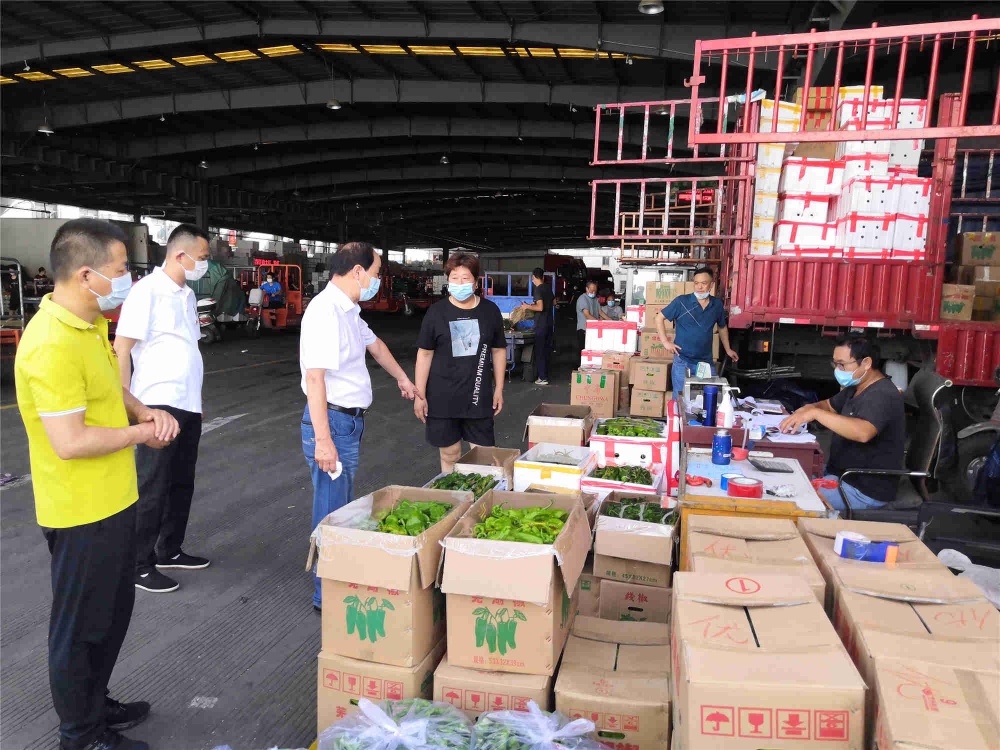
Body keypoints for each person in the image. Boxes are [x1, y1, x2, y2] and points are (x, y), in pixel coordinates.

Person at [14, 218, 180, 750]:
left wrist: (142, 410)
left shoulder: (89, 326)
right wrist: (141, 434)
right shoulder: (50, 343)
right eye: (121, 269)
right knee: (81, 627)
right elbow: (70, 441)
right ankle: (80, 735)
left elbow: (110, 387)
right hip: (80, 510)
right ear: (86, 275)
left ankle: (94, 703)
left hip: (114, 500)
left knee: (109, 617)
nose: (127, 278)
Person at [300, 242, 418, 610]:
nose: (377, 281)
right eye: (376, 273)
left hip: (346, 423)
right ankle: (326, 595)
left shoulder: (348, 310)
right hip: (332, 423)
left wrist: (402, 378)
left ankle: (334, 581)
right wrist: (323, 441)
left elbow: (376, 345)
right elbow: (315, 378)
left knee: (340, 505)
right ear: (357, 272)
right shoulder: (325, 312)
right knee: (332, 509)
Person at [113, 224, 212, 594]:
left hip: (186, 403)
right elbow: (122, 348)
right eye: (202, 258)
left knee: (181, 481)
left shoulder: (187, 294)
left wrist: (196, 402)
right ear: (180, 255)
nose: (205, 264)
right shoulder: (147, 291)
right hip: (156, 402)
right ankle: (138, 564)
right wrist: (129, 404)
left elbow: (188, 350)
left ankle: (169, 549)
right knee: (152, 484)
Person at [779, 336, 905, 513]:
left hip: (862, 489)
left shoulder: (883, 394)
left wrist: (816, 413)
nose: (837, 370)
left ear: (866, 363)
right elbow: (829, 405)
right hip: (839, 474)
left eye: (842, 364)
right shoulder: (857, 388)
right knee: (786, 474)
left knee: (789, 497)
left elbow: (863, 432)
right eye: (835, 364)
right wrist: (808, 408)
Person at [414, 254, 507, 472]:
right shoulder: (436, 313)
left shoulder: (490, 311)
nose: (460, 283)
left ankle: (485, 494)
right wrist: (419, 395)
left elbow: (498, 350)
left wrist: (499, 388)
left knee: (485, 456)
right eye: (454, 278)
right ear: (448, 281)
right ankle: (450, 492)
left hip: (478, 395)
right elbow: (424, 354)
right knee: (450, 454)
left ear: (476, 282)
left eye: (465, 278)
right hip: (442, 397)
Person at [655, 267, 739, 402]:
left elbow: (722, 327)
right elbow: (659, 318)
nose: (699, 287)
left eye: (704, 283)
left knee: (709, 399)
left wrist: (728, 349)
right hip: (683, 361)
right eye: (696, 283)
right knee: (680, 399)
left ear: (711, 285)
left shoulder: (716, 305)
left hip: (705, 363)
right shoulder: (682, 302)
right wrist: (665, 342)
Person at [519, 267, 554, 385]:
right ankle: (546, 375)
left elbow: (540, 307)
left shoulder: (538, 289)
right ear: (543, 277)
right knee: (546, 351)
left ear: (534, 277)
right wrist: (533, 305)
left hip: (541, 325)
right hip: (549, 323)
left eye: (532, 278)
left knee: (540, 351)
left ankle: (542, 378)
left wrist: (527, 306)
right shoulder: (548, 288)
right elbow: (553, 302)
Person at [575, 280, 607, 353]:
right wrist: (600, 323)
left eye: (595, 291)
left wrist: (611, 321)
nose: (593, 292)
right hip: (584, 329)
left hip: (593, 328)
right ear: (587, 289)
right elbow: (587, 315)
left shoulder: (595, 299)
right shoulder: (583, 299)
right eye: (592, 290)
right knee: (584, 351)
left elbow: (600, 312)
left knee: (593, 351)